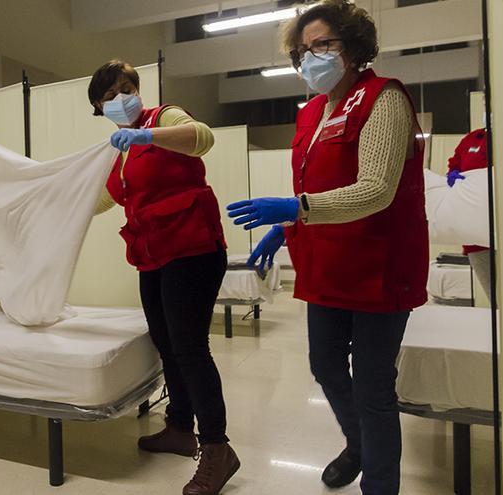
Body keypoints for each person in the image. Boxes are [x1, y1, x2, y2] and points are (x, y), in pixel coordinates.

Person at [226, 1, 428, 493]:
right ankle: (360, 445)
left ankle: (378, 484)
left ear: (353, 45)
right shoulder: (312, 112)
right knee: (324, 365)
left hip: (381, 264)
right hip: (329, 263)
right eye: (301, 51)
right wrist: (285, 230)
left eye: (322, 45)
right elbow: (314, 182)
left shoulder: (383, 99)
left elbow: (376, 189)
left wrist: (296, 210)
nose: (309, 58)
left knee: (374, 386)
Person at [88, 60, 238, 495]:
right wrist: (55, 204)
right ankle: (178, 428)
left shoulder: (163, 119)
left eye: (126, 88)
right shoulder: (122, 152)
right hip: (153, 256)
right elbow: (103, 198)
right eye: (109, 96)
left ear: (138, 89)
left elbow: (202, 139)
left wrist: (147, 135)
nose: (121, 99)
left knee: (190, 348)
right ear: (100, 107)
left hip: (192, 248)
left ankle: (217, 449)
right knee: (166, 342)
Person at [446, 126, 491, 295]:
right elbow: (454, 164)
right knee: (494, 296)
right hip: (475, 237)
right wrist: (453, 174)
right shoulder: (472, 139)